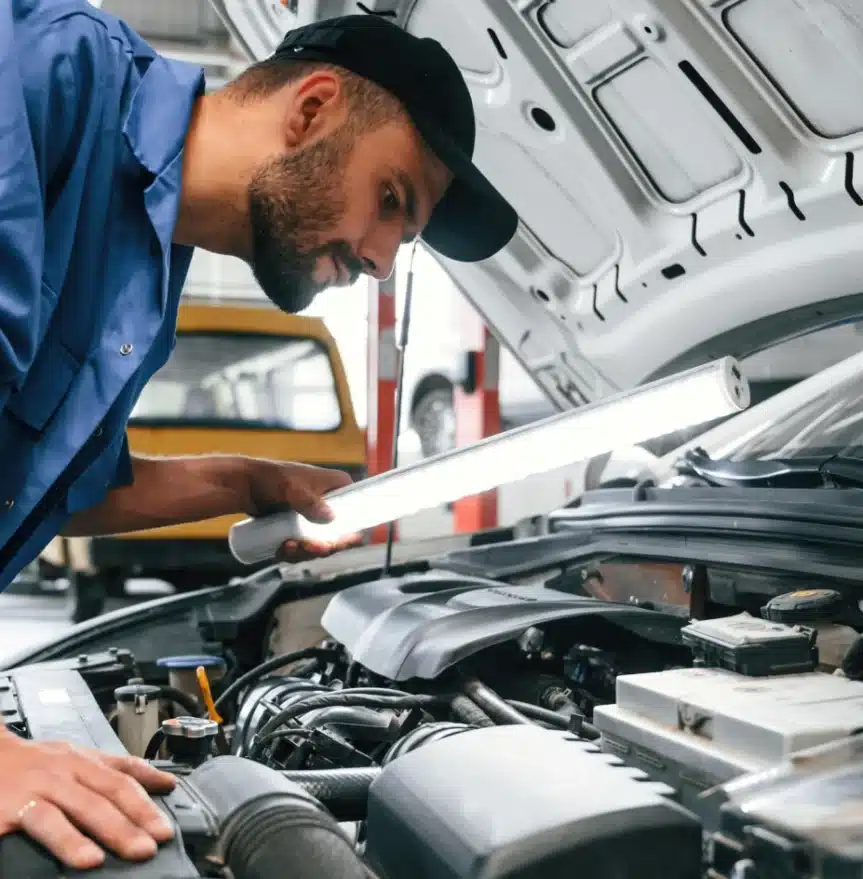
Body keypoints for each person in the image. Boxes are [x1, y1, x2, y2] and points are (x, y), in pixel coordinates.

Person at [1, 0, 518, 870]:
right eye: (391, 200)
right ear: (310, 110)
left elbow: (45, 486)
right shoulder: (47, 76)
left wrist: (245, 482)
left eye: (407, 237)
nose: (384, 260)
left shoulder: (153, 265)